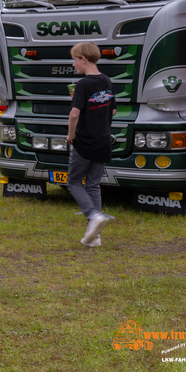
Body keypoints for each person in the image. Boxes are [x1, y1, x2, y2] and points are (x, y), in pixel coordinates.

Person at [66, 42, 116, 248]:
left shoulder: (83, 85)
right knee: (93, 184)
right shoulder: (107, 81)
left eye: (75, 59)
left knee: (73, 182)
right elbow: (112, 111)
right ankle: (94, 236)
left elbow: (74, 113)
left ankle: (93, 216)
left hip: (85, 142)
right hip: (104, 141)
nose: (73, 63)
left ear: (83, 59)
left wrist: (71, 135)